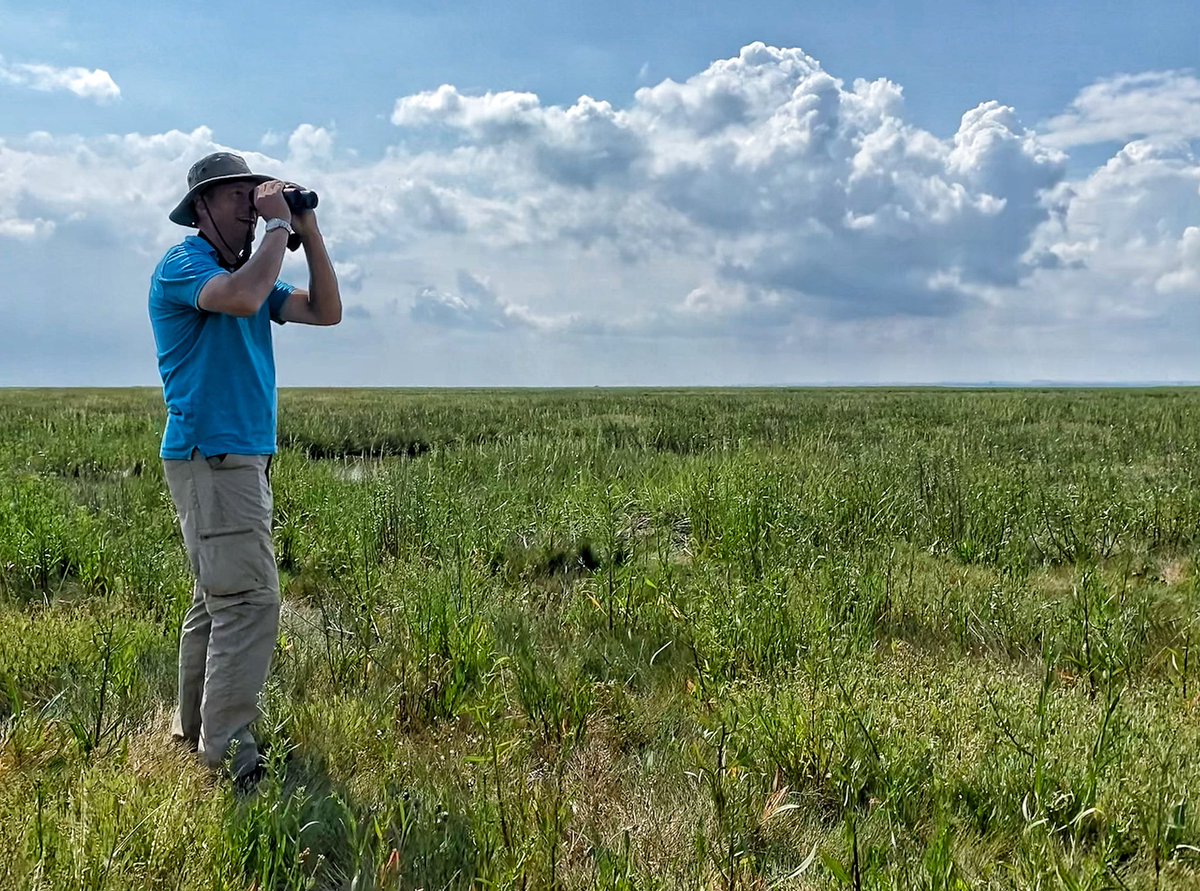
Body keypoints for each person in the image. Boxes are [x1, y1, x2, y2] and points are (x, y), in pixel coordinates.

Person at [148, 151, 341, 784]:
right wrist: (281, 228)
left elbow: (325, 310)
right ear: (201, 208)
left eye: (255, 194)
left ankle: (196, 732)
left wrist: (306, 232)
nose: (251, 207)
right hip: (214, 458)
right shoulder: (187, 265)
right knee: (250, 602)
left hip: (240, 460)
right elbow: (241, 297)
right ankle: (231, 758)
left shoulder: (253, 272)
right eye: (237, 196)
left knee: (218, 600)